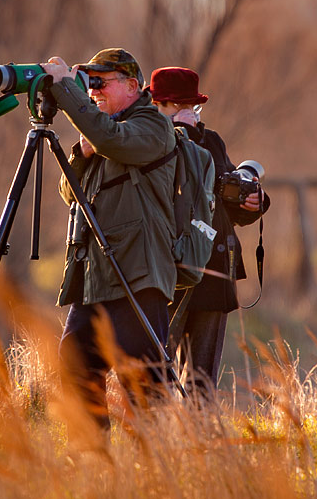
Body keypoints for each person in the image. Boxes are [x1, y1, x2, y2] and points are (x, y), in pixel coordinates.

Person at [41, 48, 177, 427]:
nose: (95, 91)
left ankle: (154, 467)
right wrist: (82, 153)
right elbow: (70, 193)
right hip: (97, 276)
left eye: (102, 82)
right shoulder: (103, 132)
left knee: (142, 378)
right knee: (75, 357)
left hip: (138, 271)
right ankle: (90, 461)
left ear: (133, 86)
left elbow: (114, 140)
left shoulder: (151, 126)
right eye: (90, 82)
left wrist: (69, 92)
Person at [149, 66, 270, 396]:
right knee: (155, 372)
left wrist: (253, 201)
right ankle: (152, 441)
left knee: (202, 381)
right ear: (157, 106)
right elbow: (169, 185)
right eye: (177, 106)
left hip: (215, 271)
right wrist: (181, 135)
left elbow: (226, 196)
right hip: (169, 269)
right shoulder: (148, 140)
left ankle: (200, 441)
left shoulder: (212, 140)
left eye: (192, 106)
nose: (188, 113)